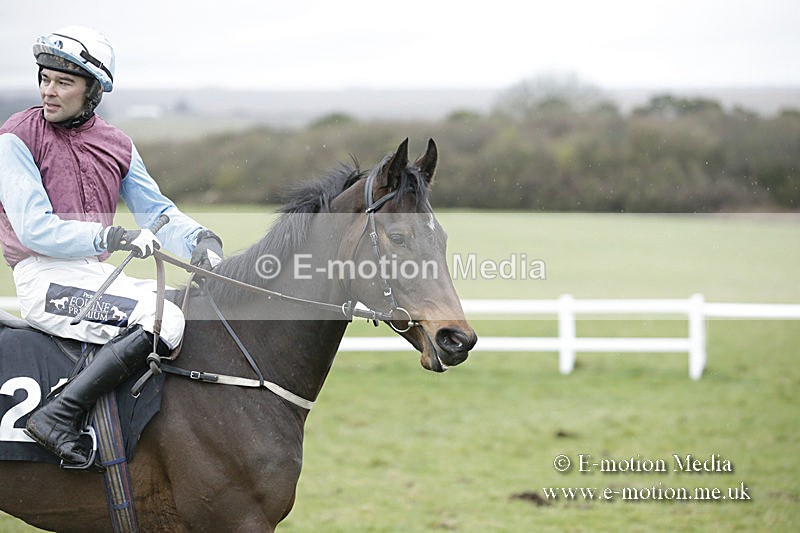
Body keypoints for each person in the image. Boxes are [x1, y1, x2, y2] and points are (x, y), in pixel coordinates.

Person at [0, 26, 224, 465]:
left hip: (93, 275)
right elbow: (34, 230)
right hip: (44, 281)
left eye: (64, 82)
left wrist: (200, 239)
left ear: (93, 90)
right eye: (44, 79)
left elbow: (157, 212)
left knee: (181, 309)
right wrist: (110, 237)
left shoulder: (117, 144)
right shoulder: (16, 138)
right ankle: (56, 418)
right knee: (162, 319)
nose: (49, 91)